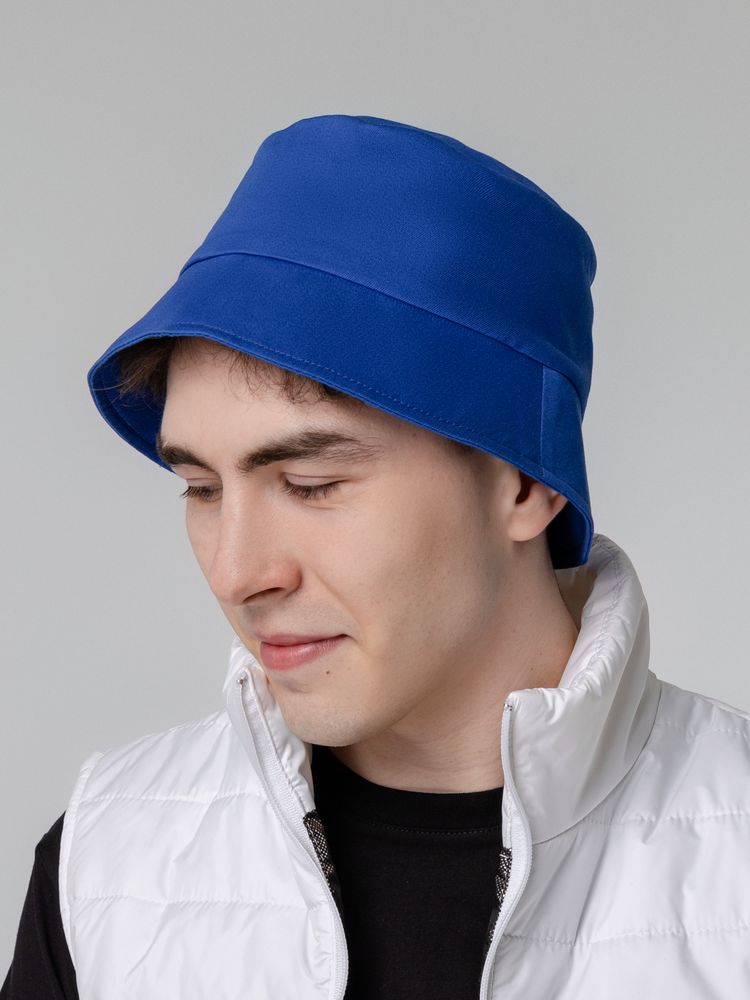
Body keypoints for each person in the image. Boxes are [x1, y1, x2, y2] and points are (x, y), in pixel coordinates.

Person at [3, 114, 750, 1000]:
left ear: (524, 481)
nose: (238, 575)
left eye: (311, 484)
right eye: (201, 488)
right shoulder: (106, 865)